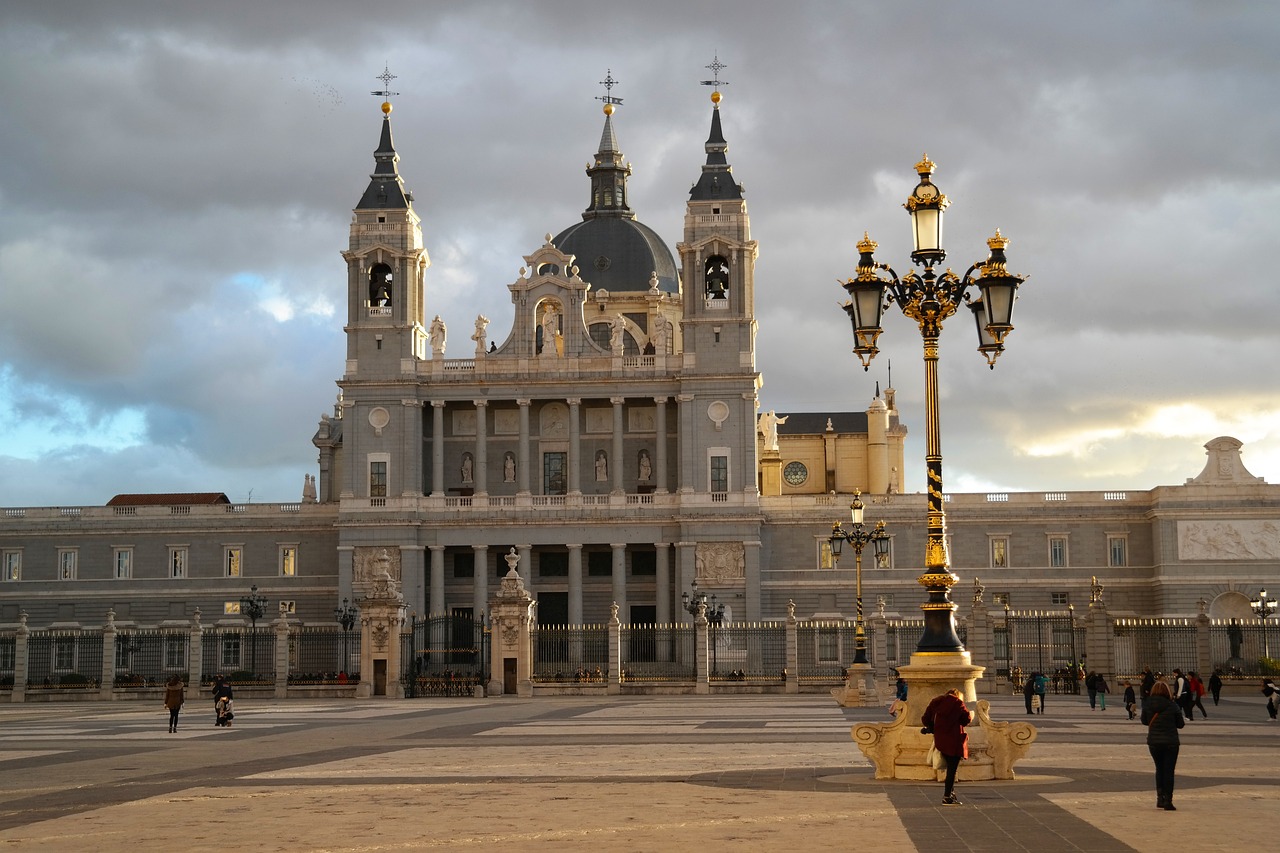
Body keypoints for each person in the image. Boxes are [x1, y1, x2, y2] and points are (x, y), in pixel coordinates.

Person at [922, 688, 972, 806]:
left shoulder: (936, 702)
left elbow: (925, 719)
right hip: (954, 740)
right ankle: (947, 796)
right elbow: (966, 720)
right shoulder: (958, 703)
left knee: (950, 769)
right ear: (958, 695)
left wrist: (933, 727)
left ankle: (951, 794)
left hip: (940, 740)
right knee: (952, 770)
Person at [1141, 680, 1185, 810]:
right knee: (1169, 771)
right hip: (1170, 742)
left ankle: (1160, 798)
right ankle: (1168, 800)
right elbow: (1180, 724)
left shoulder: (1147, 704)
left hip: (1154, 742)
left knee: (1159, 769)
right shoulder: (1172, 705)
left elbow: (1144, 721)